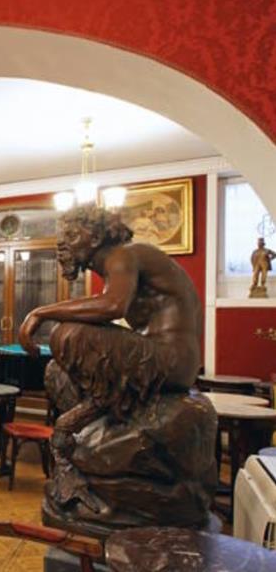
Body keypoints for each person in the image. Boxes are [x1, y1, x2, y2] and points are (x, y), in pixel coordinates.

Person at [18, 204, 202, 511]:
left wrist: (41, 313)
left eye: (73, 235)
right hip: (164, 358)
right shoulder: (122, 263)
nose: (63, 243)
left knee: (68, 334)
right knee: (56, 370)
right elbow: (107, 303)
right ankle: (94, 429)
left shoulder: (124, 255)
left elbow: (112, 305)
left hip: (172, 360)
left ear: (95, 237)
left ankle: (86, 422)